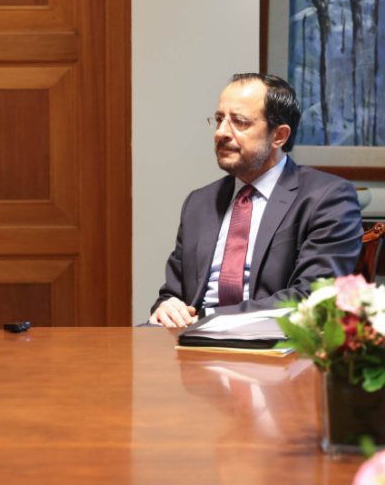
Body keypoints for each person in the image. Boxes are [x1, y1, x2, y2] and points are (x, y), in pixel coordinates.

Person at [149, 73, 362, 328]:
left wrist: (210, 319)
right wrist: (167, 307)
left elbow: (311, 298)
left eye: (239, 122)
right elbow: (173, 293)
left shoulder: (328, 197)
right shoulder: (199, 202)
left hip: (273, 340)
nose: (221, 132)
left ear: (279, 136)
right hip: (187, 337)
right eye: (219, 119)